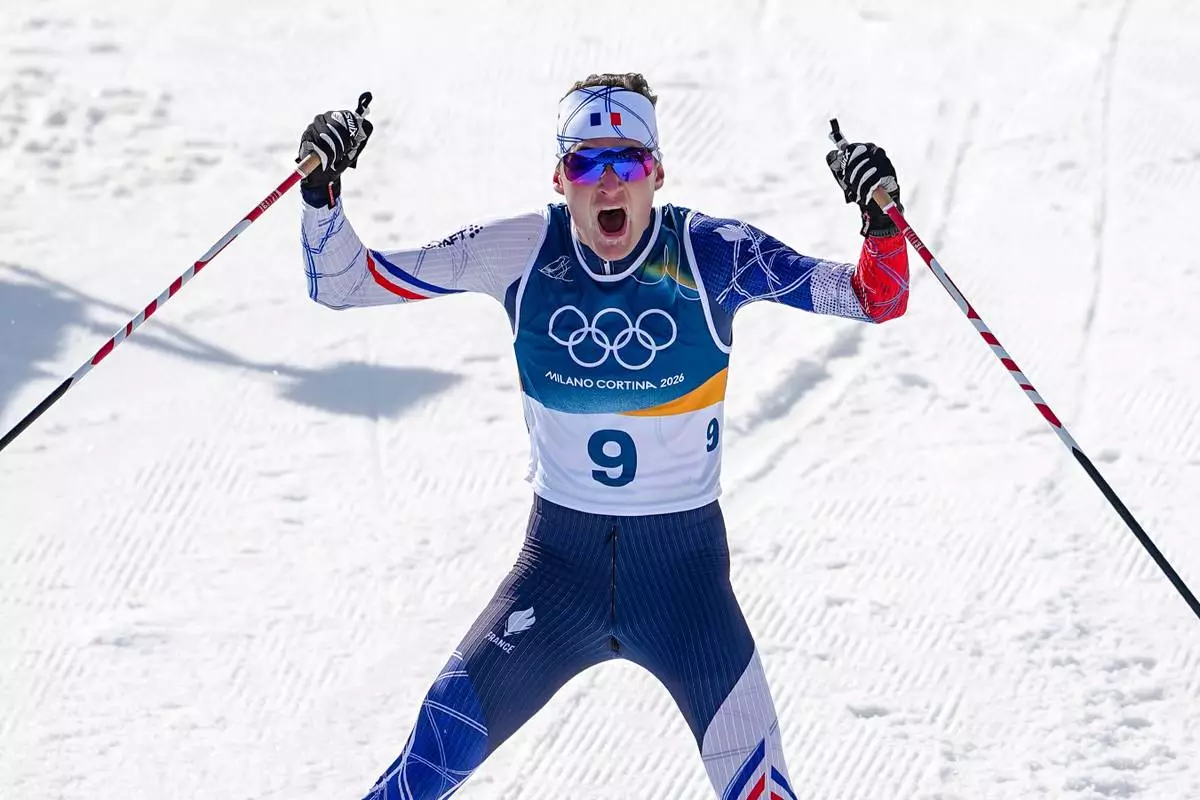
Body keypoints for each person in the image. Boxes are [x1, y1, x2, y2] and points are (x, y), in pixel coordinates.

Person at [297, 72, 909, 800]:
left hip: (686, 592)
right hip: (556, 576)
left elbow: (878, 298)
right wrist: (321, 195)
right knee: (418, 775)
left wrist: (881, 217)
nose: (608, 183)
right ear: (560, 176)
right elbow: (342, 283)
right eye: (588, 163)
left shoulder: (712, 253)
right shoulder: (521, 250)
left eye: (627, 162)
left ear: (656, 172)